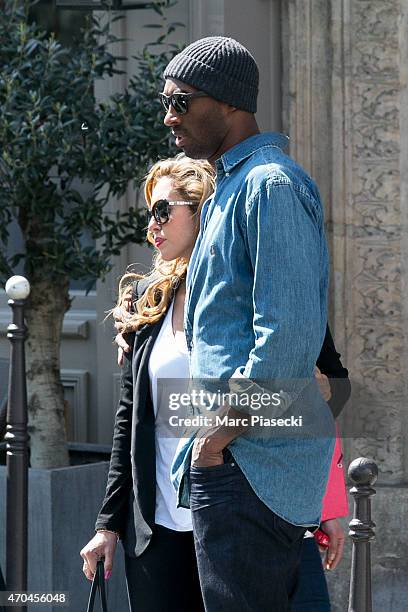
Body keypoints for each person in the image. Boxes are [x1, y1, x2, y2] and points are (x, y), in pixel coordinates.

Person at [80, 154, 350, 612]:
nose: (152, 226)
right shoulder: (148, 301)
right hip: (159, 530)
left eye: (163, 210)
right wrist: (110, 524)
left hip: (248, 518)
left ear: (204, 208)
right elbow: (130, 421)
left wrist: (326, 498)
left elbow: (322, 390)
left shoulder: (256, 291)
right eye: (149, 214)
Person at [159, 36, 336, 611]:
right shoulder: (230, 188)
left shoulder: (268, 185)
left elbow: (285, 339)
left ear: (229, 102)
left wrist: (215, 440)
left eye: (182, 101)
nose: (169, 117)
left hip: (247, 465)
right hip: (242, 464)